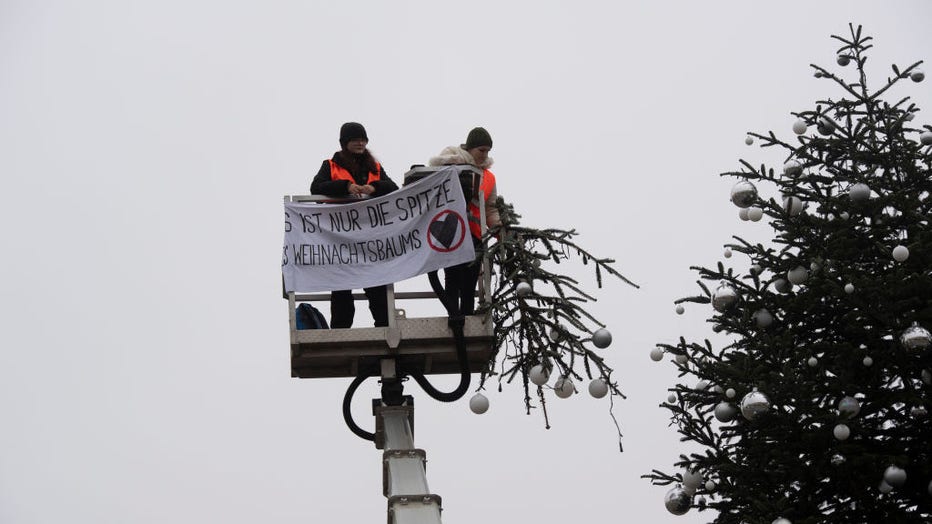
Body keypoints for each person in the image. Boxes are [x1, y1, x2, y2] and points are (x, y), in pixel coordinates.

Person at [310, 122, 399, 328]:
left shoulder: (374, 166)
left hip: (371, 238)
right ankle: (340, 332)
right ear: (345, 143)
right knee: (342, 290)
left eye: (363, 139)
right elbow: (316, 187)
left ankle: (384, 330)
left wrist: (373, 187)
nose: (360, 143)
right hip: (341, 238)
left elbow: (392, 187)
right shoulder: (330, 165)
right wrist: (346, 187)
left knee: (377, 289)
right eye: (355, 139)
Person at [428, 126, 502, 315]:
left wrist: (500, 232)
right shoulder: (450, 165)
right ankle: (454, 318)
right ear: (470, 148)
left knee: (469, 282)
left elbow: (490, 208)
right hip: (450, 231)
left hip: (475, 235)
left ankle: (467, 318)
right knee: (453, 277)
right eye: (481, 150)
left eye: (488, 151)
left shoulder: (489, 177)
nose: (484, 155)